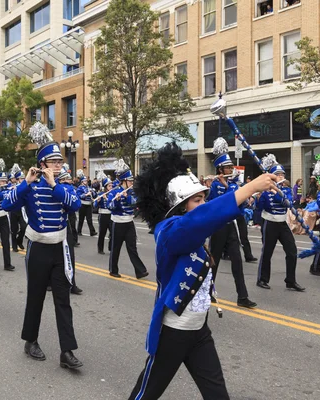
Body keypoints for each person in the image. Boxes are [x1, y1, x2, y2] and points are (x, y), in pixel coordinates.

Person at [130, 142, 280, 400]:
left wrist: (248, 195)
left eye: (203, 199)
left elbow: (210, 217)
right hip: (174, 332)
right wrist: (249, 187)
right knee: (146, 394)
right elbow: (200, 221)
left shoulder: (194, 230)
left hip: (199, 330)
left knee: (218, 394)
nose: (202, 204)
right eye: (196, 200)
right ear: (180, 207)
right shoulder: (169, 232)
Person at [2, 123, 83, 369]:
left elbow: (75, 206)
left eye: (60, 161)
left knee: (63, 300)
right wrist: (26, 182)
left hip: (59, 249)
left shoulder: (64, 187)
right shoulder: (30, 188)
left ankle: (67, 351)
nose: (59, 165)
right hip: (37, 249)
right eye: (53, 161)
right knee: (35, 297)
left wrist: (54, 185)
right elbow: (7, 205)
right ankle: (30, 341)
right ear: (42, 164)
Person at [207, 138, 256, 308]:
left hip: (232, 226)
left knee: (237, 262)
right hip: (218, 226)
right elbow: (215, 205)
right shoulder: (214, 185)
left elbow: (238, 203)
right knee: (213, 262)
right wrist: (221, 186)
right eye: (228, 167)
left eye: (231, 167)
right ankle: (207, 292)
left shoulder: (235, 184)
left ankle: (242, 297)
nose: (231, 169)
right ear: (220, 169)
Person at [256, 154, 305, 292]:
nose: (282, 177)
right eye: (278, 175)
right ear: (272, 177)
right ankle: (262, 279)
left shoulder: (286, 190)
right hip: (269, 223)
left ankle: (290, 280)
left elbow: (286, 202)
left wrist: (276, 190)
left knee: (292, 251)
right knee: (267, 252)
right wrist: (260, 195)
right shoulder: (266, 191)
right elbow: (260, 207)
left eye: (283, 174)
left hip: (282, 223)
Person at [107, 159, 149, 279]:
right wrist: (117, 199)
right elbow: (109, 206)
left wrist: (127, 197)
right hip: (118, 222)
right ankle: (113, 269)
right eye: (130, 180)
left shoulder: (131, 192)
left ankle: (140, 271)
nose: (132, 182)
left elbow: (136, 204)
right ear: (124, 181)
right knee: (116, 248)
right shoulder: (114, 191)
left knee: (132, 247)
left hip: (129, 222)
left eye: (132, 180)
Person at [58, 167, 83, 295]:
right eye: (67, 178)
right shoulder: (56, 187)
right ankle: (49, 282)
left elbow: (76, 204)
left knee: (69, 255)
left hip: (64, 223)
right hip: (51, 225)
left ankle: (71, 283)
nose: (70, 180)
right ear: (61, 180)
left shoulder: (69, 189)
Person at [8, 164, 27, 252]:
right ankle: (14, 245)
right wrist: (13, 190)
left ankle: (19, 240)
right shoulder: (11, 187)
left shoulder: (24, 186)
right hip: (14, 210)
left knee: (24, 227)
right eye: (21, 179)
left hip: (22, 210)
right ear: (16, 179)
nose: (22, 180)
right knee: (14, 229)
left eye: (23, 178)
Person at [94, 171, 113, 254]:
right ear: (105, 187)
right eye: (109, 186)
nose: (111, 187)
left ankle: (110, 247)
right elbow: (94, 205)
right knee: (102, 233)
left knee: (113, 233)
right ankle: (100, 248)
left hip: (111, 215)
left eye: (111, 185)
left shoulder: (112, 194)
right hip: (103, 215)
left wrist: (107, 198)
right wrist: (98, 201)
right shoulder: (101, 194)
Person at [76, 170, 97, 237]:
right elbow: (79, 196)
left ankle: (92, 231)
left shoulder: (89, 187)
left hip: (88, 205)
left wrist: (93, 192)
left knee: (89, 219)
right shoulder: (79, 188)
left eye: (86, 181)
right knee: (81, 219)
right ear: (82, 182)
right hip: (82, 205)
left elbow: (94, 196)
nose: (86, 182)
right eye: (84, 181)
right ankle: (79, 231)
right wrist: (86, 194)